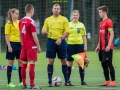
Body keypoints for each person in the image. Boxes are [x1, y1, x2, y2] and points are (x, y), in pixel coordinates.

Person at [42, 4, 73, 87]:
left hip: (61, 42)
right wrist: (45, 32)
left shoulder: (64, 19)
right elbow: (43, 31)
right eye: (55, 8)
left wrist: (61, 39)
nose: (56, 10)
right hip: (51, 42)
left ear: (60, 10)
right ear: (52, 10)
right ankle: (49, 82)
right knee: (51, 60)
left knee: (63, 60)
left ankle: (67, 81)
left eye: (58, 8)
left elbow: (67, 32)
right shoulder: (47, 20)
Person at [19, 4, 41, 89]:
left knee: (24, 64)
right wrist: (38, 46)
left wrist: (22, 43)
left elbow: (20, 34)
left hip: (24, 46)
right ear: (31, 11)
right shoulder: (31, 21)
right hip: (31, 46)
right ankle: (32, 84)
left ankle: (24, 84)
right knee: (32, 63)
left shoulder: (21, 20)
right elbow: (34, 36)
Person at [95, 6, 116, 87]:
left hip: (107, 48)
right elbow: (101, 36)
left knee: (109, 64)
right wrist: (98, 46)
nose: (99, 14)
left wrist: (108, 45)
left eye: (100, 12)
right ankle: (107, 81)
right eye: (99, 12)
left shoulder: (108, 21)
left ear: (104, 12)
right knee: (103, 64)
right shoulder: (101, 23)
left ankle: (113, 81)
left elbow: (112, 34)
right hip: (101, 48)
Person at [66, 10, 87, 85]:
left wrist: (85, 45)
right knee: (69, 63)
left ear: (79, 16)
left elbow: (84, 36)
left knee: (81, 63)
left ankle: (82, 81)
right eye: (74, 15)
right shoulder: (68, 25)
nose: (75, 16)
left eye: (76, 15)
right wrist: (66, 45)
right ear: (71, 16)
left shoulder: (81, 25)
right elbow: (65, 36)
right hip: (70, 46)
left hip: (80, 46)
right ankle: (67, 81)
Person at [5, 8, 22, 87]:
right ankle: (9, 82)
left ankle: (21, 82)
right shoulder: (8, 23)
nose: (17, 15)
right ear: (12, 14)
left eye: (18, 13)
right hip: (12, 44)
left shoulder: (19, 22)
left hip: (20, 45)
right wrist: (9, 46)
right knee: (10, 63)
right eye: (16, 13)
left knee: (21, 63)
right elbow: (6, 36)